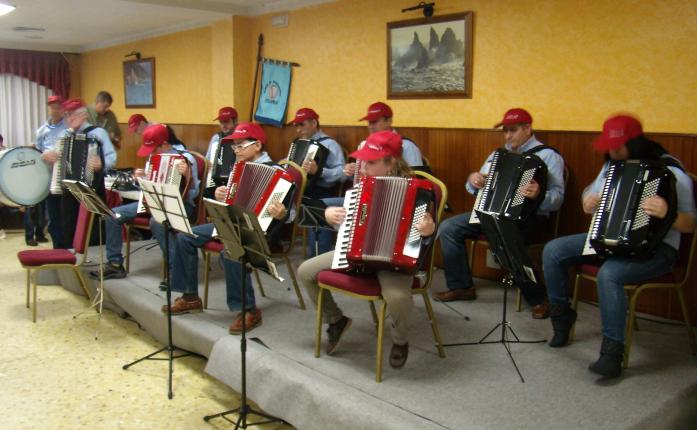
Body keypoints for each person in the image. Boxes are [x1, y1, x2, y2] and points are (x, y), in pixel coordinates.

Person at [542, 114, 696, 378]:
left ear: (635, 144)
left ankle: (612, 353)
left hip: (658, 249)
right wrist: (588, 201)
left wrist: (667, 214)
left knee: (610, 273)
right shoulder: (611, 167)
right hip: (608, 239)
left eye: (617, 146)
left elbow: (690, 224)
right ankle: (562, 317)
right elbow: (588, 194)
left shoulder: (671, 172)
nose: (611, 151)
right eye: (609, 146)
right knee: (553, 250)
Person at [297, 130, 437, 369]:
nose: (362, 168)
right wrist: (328, 215)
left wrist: (427, 229)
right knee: (305, 271)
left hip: (394, 261)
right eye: (362, 162)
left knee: (397, 297)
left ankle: (400, 340)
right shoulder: (361, 187)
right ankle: (336, 320)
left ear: (391, 162)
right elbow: (346, 218)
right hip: (355, 252)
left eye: (370, 163)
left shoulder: (419, 190)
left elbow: (427, 232)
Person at [162, 122, 293, 334]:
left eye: (240, 145)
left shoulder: (279, 173)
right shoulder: (236, 168)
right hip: (229, 223)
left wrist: (282, 213)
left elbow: (290, 214)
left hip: (260, 231)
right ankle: (190, 296)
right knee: (185, 236)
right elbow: (220, 199)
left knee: (232, 251)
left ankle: (248, 310)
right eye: (234, 146)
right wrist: (218, 194)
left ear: (257, 145)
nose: (236, 150)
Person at [435, 108, 565, 319]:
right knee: (449, 227)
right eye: (505, 131)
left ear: (527, 128)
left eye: (512, 130)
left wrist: (539, 194)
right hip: (490, 213)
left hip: (530, 218)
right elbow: (475, 187)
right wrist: (473, 180)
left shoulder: (549, 156)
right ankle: (461, 286)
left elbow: (557, 198)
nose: (507, 136)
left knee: (507, 236)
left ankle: (538, 298)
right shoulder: (498, 155)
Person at [91, 123, 197, 280]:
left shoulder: (186, 159)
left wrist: (188, 176)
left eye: (154, 149)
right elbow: (149, 187)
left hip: (181, 206)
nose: (151, 154)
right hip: (152, 202)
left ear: (165, 144)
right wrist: (141, 179)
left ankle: (176, 270)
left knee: (157, 221)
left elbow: (194, 193)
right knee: (112, 215)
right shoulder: (154, 159)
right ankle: (115, 264)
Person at [44, 98, 116, 248]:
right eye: (67, 115)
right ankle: (72, 257)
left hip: (92, 190)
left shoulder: (98, 133)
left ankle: (94, 256)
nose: (69, 118)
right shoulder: (64, 135)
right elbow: (53, 153)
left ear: (83, 115)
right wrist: (47, 155)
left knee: (93, 229)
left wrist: (102, 164)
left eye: (72, 114)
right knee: (69, 227)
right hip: (69, 191)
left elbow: (111, 157)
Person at [288, 107, 346, 256]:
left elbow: (343, 173)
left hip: (323, 192)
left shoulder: (330, 144)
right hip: (304, 191)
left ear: (314, 123)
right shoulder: (299, 143)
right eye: (297, 126)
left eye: (302, 125)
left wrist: (319, 171)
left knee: (318, 228)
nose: (298, 130)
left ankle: (319, 255)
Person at [343, 102, 424, 183]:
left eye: (374, 122)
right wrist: (354, 170)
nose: (370, 126)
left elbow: (417, 179)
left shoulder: (407, 146)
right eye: (369, 122)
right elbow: (364, 175)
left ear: (389, 121)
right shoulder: (364, 144)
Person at [27, 95, 67, 247]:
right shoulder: (41, 130)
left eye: (58, 107)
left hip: (64, 178)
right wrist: (43, 154)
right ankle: (58, 248)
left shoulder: (68, 128)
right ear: (48, 109)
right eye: (52, 107)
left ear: (63, 109)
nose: (54, 110)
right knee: (52, 217)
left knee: (65, 216)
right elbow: (37, 152)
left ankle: (68, 248)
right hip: (47, 178)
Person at [204, 106, 238, 197]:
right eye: (221, 122)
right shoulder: (216, 138)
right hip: (215, 182)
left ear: (235, 121)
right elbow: (207, 160)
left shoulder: (241, 140)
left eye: (226, 121)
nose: (223, 125)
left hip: (234, 185)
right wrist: (209, 164)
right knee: (206, 193)